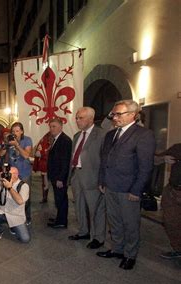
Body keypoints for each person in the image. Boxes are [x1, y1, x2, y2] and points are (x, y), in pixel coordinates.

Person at [97, 99, 155, 270]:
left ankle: (130, 254)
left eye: (118, 114)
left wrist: (137, 190)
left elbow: (146, 167)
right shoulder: (110, 135)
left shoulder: (143, 135)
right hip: (110, 186)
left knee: (130, 223)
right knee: (114, 221)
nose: (114, 117)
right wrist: (102, 180)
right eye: (113, 114)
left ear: (132, 115)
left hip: (129, 189)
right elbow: (104, 160)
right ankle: (117, 249)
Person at [68, 107, 106, 249]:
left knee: (95, 209)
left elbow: (105, 159)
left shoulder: (101, 135)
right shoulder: (77, 136)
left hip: (93, 178)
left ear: (91, 119)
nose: (77, 120)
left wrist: (102, 180)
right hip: (77, 176)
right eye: (77, 117)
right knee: (79, 206)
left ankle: (98, 237)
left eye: (81, 118)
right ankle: (83, 231)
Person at [0, 122, 33, 224]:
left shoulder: (27, 140)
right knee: (13, 195)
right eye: (13, 131)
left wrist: (17, 145)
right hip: (13, 174)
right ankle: (13, 218)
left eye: (17, 131)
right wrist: (6, 144)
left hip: (24, 172)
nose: (15, 133)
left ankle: (27, 218)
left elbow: (26, 155)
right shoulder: (9, 141)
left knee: (25, 197)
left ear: (22, 131)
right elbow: (1, 154)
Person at [0, 166, 30, 243]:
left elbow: (20, 201)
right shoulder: (3, 183)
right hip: (1, 211)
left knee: (25, 239)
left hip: (15, 215)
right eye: (5, 174)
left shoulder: (23, 186)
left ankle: (13, 227)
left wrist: (10, 188)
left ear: (16, 175)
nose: (6, 175)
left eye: (8, 174)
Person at [155, 144, 181, 259]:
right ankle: (178, 249)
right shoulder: (178, 148)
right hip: (173, 192)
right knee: (171, 223)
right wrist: (163, 159)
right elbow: (154, 160)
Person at [47, 118, 72, 228]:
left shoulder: (65, 141)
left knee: (61, 199)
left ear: (61, 127)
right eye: (50, 126)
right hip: (55, 175)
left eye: (54, 126)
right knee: (58, 198)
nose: (52, 129)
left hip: (59, 177)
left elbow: (66, 161)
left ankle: (62, 221)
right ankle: (59, 217)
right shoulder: (56, 139)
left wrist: (61, 178)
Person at [33, 132, 52, 203]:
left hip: (51, 165)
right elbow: (38, 152)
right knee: (45, 182)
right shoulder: (44, 139)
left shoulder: (54, 140)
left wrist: (42, 154)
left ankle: (45, 197)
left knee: (50, 183)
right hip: (44, 165)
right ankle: (44, 197)